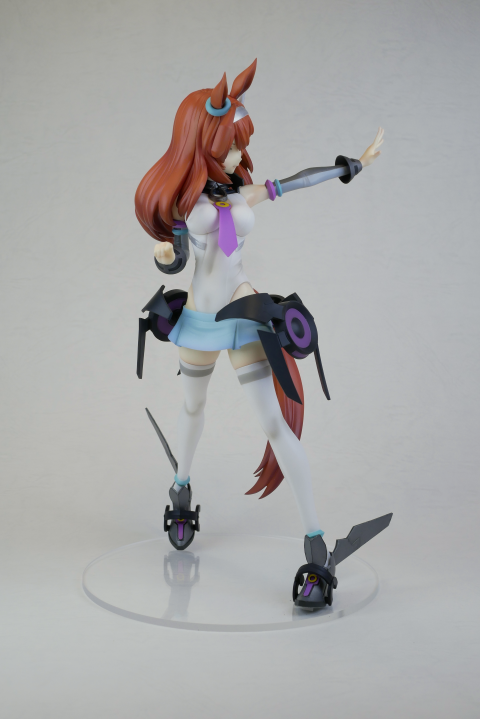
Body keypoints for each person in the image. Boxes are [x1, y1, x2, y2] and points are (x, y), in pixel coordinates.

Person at [135, 60, 384, 609]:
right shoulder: (187, 205)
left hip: (243, 313)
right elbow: (176, 256)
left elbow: (294, 182)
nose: (237, 156)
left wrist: (351, 166)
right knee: (193, 406)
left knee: (275, 424)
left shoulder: (240, 195)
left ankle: (316, 545)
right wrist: (164, 254)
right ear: (201, 144)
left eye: (239, 146)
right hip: (200, 319)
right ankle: (181, 489)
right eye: (228, 146)